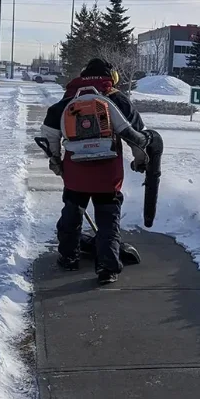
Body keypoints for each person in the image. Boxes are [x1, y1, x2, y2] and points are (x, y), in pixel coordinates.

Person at [40, 58, 148, 285]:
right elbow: (136, 134)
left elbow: (50, 132)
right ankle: (107, 268)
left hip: (75, 172)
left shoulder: (70, 98)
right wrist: (140, 160)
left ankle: (69, 257)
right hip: (107, 174)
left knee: (72, 213)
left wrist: (55, 159)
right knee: (108, 220)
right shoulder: (116, 99)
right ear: (112, 77)